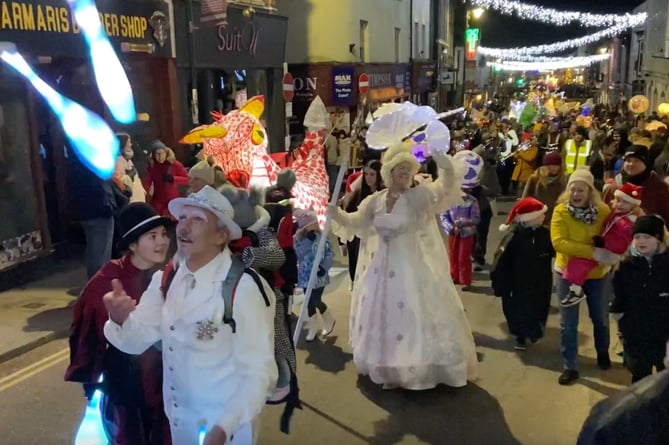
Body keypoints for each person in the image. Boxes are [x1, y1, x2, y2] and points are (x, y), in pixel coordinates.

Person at [102, 186, 277, 445]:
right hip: (180, 424)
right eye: (183, 218)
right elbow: (137, 340)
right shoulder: (166, 279)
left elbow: (259, 373)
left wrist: (223, 427)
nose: (183, 228)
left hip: (227, 430)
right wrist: (119, 319)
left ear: (221, 235)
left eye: (198, 219)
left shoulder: (244, 288)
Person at [329, 143, 478, 390]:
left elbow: (445, 187)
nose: (405, 173)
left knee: (413, 316)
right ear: (390, 171)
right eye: (400, 168)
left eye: (409, 170)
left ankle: (415, 368)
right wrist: (335, 214)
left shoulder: (416, 197)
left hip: (411, 267)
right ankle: (388, 366)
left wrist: (444, 163)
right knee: (382, 318)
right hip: (380, 272)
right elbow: (356, 220)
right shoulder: (374, 200)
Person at [65, 203, 172, 444]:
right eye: (152, 236)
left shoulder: (171, 275)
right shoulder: (107, 281)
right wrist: (90, 384)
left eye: (164, 234)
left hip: (167, 385)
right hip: (127, 389)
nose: (161, 242)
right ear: (132, 244)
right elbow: (86, 335)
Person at [551, 168, 616, 386]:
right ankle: (570, 366)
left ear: (590, 192)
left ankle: (603, 353)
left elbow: (614, 234)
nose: (576, 194)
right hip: (567, 274)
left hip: (597, 275)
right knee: (568, 323)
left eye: (581, 190)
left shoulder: (603, 211)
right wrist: (593, 252)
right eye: (573, 190)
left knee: (600, 318)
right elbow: (559, 243)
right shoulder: (560, 211)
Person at [561, 183, 642, 307]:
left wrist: (605, 243)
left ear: (633, 205)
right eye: (618, 201)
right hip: (606, 247)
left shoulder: (627, 222)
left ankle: (576, 290)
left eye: (625, 203)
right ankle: (576, 288)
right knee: (581, 261)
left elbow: (621, 242)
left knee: (581, 261)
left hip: (611, 251)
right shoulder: (617, 215)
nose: (619, 205)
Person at [611, 215, 669, 383]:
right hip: (636, 331)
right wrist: (620, 320)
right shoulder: (626, 264)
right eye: (637, 237)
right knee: (639, 377)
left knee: (663, 381)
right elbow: (619, 295)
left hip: (663, 332)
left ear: (658, 239)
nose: (641, 241)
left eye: (647, 237)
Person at [491, 198, 554, 350]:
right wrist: (500, 283)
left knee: (539, 306)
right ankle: (520, 336)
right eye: (540, 215)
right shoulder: (513, 237)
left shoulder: (545, 234)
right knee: (519, 308)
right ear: (530, 218)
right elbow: (500, 261)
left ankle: (534, 332)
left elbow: (555, 250)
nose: (544, 217)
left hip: (541, 280)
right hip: (519, 281)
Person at [340, 160, 384, 286]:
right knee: (355, 261)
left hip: (376, 237)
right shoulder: (358, 194)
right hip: (358, 238)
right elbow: (348, 216)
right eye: (366, 174)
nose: (368, 178)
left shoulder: (384, 194)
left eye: (372, 174)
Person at [294, 209, 335, 342]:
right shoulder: (299, 239)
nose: (313, 227)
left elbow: (329, 253)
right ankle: (312, 327)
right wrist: (307, 241)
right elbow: (299, 254)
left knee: (315, 299)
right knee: (308, 302)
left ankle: (329, 319)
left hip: (319, 276)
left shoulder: (323, 238)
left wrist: (324, 267)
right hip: (306, 276)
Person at [603, 145, 669, 225]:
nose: (631, 164)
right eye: (628, 160)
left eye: (637, 160)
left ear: (646, 163)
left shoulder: (658, 187)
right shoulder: (615, 186)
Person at [441, 188, 480, 290]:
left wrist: (462, 223)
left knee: (463, 256)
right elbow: (444, 216)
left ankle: (465, 280)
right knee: (453, 254)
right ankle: (454, 276)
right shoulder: (449, 200)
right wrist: (451, 227)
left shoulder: (472, 201)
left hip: (467, 233)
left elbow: (476, 218)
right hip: (453, 232)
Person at [143, 140, 189, 217]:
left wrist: (173, 179)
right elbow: (147, 182)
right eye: (157, 154)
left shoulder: (174, 164)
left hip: (173, 200)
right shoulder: (152, 166)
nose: (159, 157)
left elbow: (188, 179)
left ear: (166, 153)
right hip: (158, 202)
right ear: (153, 155)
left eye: (161, 153)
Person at [522, 151, 566, 228]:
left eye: (557, 165)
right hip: (537, 217)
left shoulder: (562, 181)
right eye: (551, 165)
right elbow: (526, 197)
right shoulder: (535, 178)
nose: (554, 168)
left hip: (554, 218)